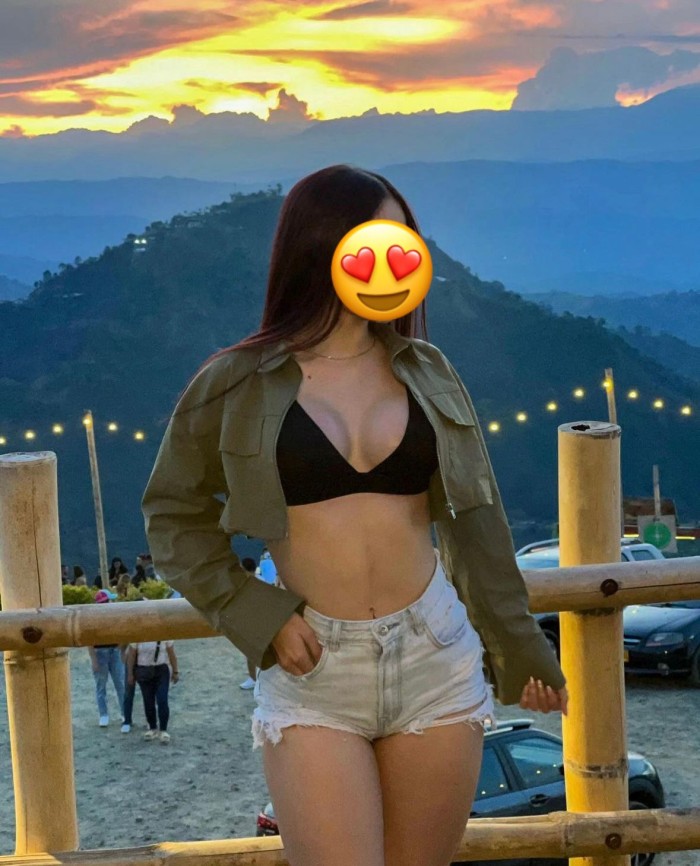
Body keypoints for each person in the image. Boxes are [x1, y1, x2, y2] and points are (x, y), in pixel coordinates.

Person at [142, 164, 569, 866]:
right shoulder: (235, 382)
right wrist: (259, 615)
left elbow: (477, 522)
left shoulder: (428, 371)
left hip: (435, 653)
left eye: (407, 244)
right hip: (314, 667)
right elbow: (172, 514)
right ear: (324, 246)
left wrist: (520, 646)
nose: (399, 261)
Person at [126, 638, 179, 743]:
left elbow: (171, 653)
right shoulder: (137, 634)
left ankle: (163, 729)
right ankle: (152, 727)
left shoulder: (164, 633)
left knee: (162, 699)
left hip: (161, 670)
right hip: (143, 670)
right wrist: (130, 674)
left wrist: (175, 671)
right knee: (148, 700)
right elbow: (132, 654)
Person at [88, 590, 126, 727]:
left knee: (120, 684)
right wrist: (94, 660)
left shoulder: (114, 617)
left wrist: (120, 648)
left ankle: (124, 713)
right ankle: (104, 715)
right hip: (100, 652)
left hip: (113, 651)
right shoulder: (93, 620)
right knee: (101, 686)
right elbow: (89, 641)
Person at [239, 556, 268, 690]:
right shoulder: (260, 581)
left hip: (255, 621)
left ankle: (253, 679)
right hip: (257, 620)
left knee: (250, 652)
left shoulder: (249, 584)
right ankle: (255, 677)